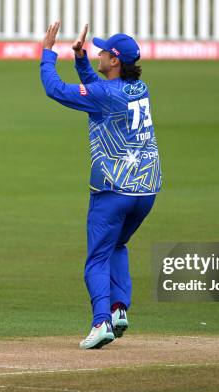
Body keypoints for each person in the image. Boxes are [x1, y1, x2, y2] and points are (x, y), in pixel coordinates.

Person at [40, 22, 162, 349]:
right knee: (117, 246)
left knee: (96, 258)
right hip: (146, 189)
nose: (100, 53)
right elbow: (99, 91)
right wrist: (80, 60)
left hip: (113, 188)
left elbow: (55, 90)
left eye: (104, 51)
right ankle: (119, 307)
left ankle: (101, 322)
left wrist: (47, 54)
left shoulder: (106, 94)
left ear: (115, 60)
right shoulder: (139, 88)